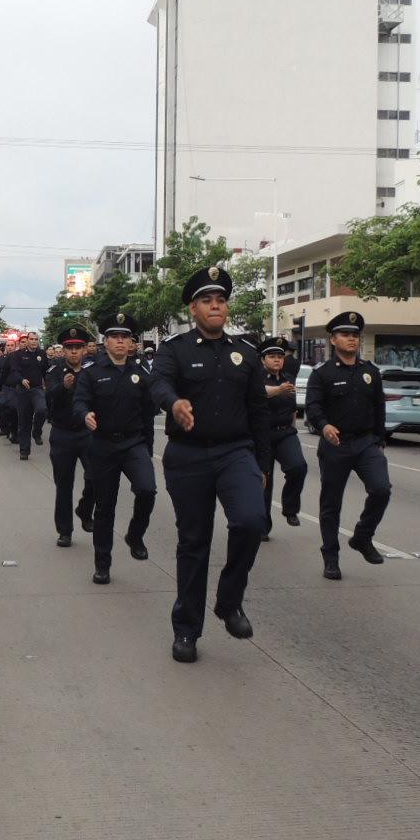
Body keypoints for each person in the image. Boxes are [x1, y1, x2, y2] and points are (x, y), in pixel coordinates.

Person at [149, 266, 271, 663]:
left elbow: (258, 412)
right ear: (193, 308)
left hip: (236, 452)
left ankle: (229, 600)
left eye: (220, 299)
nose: (215, 305)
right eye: (206, 300)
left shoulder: (248, 353)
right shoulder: (174, 348)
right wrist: (175, 403)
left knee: (252, 521)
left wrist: (263, 464)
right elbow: (160, 384)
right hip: (188, 456)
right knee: (194, 543)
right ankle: (186, 630)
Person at [304, 312, 391, 581]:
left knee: (381, 489)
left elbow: (379, 407)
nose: (351, 339)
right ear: (333, 339)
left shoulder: (370, 372)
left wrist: (379, 439)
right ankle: (331, 556)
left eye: (355, 335)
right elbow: (313, 407)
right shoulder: (322, 373)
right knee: (331, 504)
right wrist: (324, 426)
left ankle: (363, 536)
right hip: (336, 443)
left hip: (366, 443)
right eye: (345, 335)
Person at [75, 312, 158, 582]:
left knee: (147, 489)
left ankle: (135, 534)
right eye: (115, 337)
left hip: (134, 443)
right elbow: (79, 401)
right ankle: (103, 564)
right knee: (105, 507)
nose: (120, 342)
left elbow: (148, 413)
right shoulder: (92, 372)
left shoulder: (142, 373)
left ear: (132, 343)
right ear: (106, 341)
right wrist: (85, 414)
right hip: (103, 445)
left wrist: (148, 448)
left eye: (125, 337)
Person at [44, 325, 97, 547]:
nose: (74, 352)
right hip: (63, 434)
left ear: (85, 350)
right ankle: (65, 531)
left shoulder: (93, 371)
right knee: (64, 485)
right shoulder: (54, 372)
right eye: (69, 348)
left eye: (78, 347)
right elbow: (48, 400)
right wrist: (62, 388)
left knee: (95, 477)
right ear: (63, 351)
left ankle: (85, 509)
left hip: (87, 434)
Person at [258, 336, 307, 539]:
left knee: (298, 467)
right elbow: (256, 394)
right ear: (263, 359)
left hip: (286, 433)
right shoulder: (256, 379)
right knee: (264, 482)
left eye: (280, 356)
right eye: (272, 356)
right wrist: (277, 391)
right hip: (263, 436)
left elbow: (292, 407)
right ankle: (262, 526)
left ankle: (290, 508)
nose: (277, 360)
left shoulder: (288, 378)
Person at [9, 331, 50, 459]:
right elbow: (14, 371)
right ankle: (24, 451)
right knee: (24, 421)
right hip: (23, 391)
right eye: (31, 339)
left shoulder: (42, 354)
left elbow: (46, 372)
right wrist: (21, 379)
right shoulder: (18, 355)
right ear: (27, 341)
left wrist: (48, 385)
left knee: (42, 410)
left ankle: (37, 432)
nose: (33, 341)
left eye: (36, 339)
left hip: (37, 389)